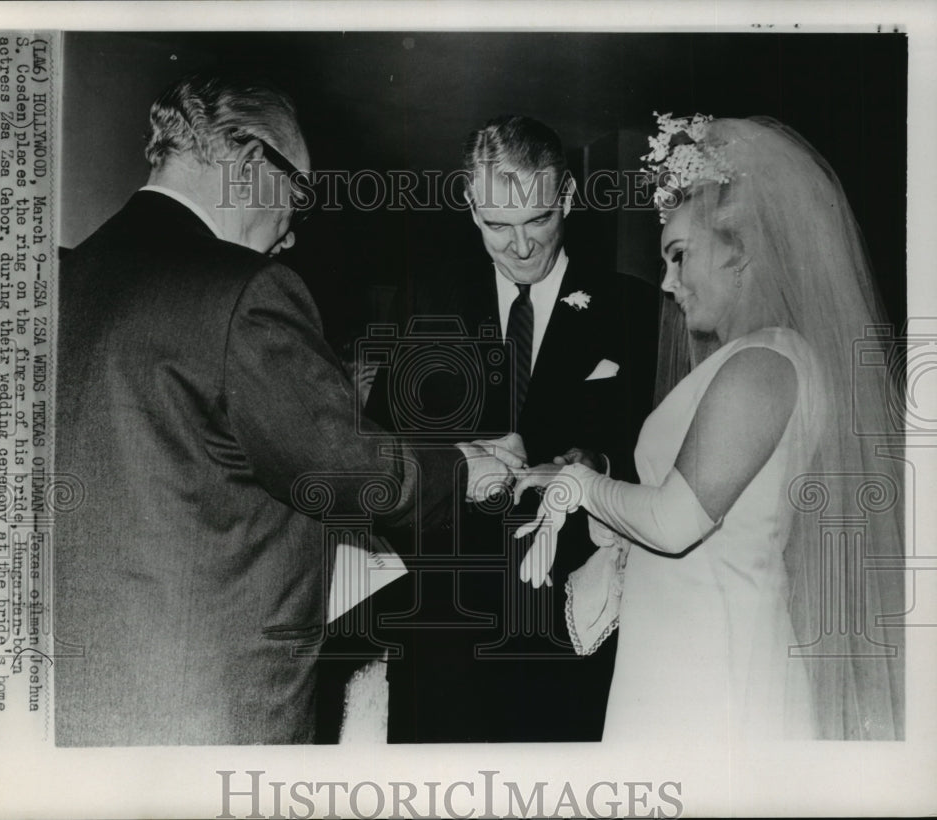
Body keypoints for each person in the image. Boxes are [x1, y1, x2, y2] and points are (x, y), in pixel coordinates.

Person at [53, 70, 514, 746]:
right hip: (209, 712)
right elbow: (352, 468)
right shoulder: (245, 292)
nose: (292, 233)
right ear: (247, 166)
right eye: (297, 197)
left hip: (77, 705)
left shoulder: (62, 277)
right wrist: (467, 470)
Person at [513, 114, 905, 741]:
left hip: (715, 666)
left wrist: (580, 483)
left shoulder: (764, 363)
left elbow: (674, 522)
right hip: (681, 644)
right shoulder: (750, 359)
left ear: (740, 248)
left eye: (679, 256)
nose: (667, 284)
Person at [366, 115, 658, 742]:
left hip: (574, 625)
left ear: (570, 201)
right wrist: (460, 455)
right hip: (444, 624)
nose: (520, 246)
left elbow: (667, 462)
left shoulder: (634, 310)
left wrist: (595, 464)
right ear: (471, 209)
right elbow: (377, 445)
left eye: (538, 221)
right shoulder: (428, 302)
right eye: (497, 226)